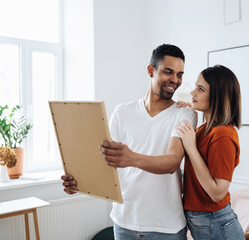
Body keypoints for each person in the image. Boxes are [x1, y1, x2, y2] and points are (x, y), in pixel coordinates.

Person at [62, 44, 197, 240]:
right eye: (168, 72)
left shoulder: (185, 113)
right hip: (124, 223)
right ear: (151, 70)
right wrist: (79, 183)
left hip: (166, 227)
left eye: (180, 75)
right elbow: (104, 161)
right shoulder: (122, 112)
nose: (175, 80)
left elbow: (172, 161)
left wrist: (131, 158)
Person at [176, 65, 245, 240]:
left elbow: (217, 193)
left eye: (200, 89)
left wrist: (191, 148)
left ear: (218, 96)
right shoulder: (202, 130)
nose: (192, 93)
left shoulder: (223, 134)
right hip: (205, 221)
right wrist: (189, 112)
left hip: (216, 222)